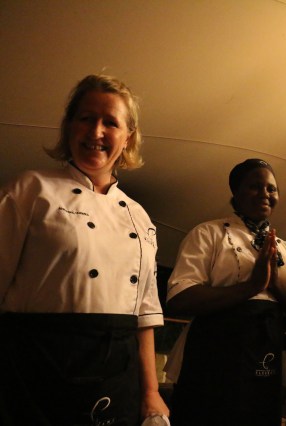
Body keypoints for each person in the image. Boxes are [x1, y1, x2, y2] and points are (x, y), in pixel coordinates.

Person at [0, 74, 169, 425]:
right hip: (37, 367)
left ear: (128, 137)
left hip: (118, 374)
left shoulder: (138, 216)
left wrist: (151, 393)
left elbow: (145, 313)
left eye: (110, 122)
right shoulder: (29, 190)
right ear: (68, 127)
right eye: (86, 118)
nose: (96, 132)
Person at [164, 158, 286, 426]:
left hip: (264, 362)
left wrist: (275, 285)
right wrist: (250, 287)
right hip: (211, 362)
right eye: (255, 186)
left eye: (271, 188)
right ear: (236, 192)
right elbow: (179, 298)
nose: (265, 194)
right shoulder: (208, 233)